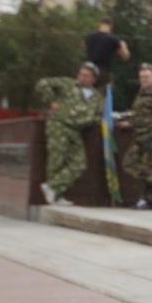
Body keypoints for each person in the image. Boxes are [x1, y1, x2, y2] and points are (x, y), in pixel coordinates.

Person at [36, 62, 102, 206]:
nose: (82, 77)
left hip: (76, 130)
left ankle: (52, 187)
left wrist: (91, 120)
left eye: (86, 75)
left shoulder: (97, 97)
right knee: (57, 159)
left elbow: (99, 115)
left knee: (79, 163)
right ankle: (54, 195)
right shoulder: (67, 84)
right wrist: (51, 101)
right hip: (59, 124)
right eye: (81, 74)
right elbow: (43, 83)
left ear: (93, 79)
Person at [123, 63, 152, 209]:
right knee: (129, 163)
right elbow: (139, 114)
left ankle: (148, 200)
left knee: (148, 165)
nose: (144, 79)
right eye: (142, 77)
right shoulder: (141, 94)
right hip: (139, 135)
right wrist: (129, 122)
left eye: (147, 77)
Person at [84, 17, 129, 82]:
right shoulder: (114, 39)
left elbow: (84, 46)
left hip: (88, 71)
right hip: (103, 73)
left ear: (99, 24)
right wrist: (124, 46)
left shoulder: (89, 36)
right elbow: (125, 57)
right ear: (111, 26)